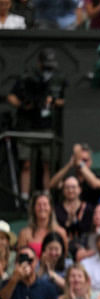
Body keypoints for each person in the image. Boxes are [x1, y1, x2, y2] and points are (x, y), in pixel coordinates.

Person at [6, 49, 67, 199]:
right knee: (26, 164)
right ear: (39, 63)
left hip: (46, 127)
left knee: (47, 163)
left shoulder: (59, 79)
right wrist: (23, 104)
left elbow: (66, 100)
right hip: (26, 126)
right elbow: (11, 97)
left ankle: (46, 197)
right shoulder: (27, 78)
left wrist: (51, 101)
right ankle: (24, 197)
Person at [17, 192, 68, 259]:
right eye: (39, 205)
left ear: (51, 208)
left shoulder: (61, 232)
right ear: (34, 208)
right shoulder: (24, 233)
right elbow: (20, 259)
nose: (42, 208)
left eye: (45, 204)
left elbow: (64, 257)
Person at [55, 176, 94, 248]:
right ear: (63, 190)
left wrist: (75, 221)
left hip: (84, 247)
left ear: (80, 189)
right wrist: (68, 223)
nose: (70, 190)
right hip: (62, 246)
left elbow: (88, 231)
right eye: (67, 187)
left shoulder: (88, 208)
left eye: (73, 187)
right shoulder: (57, 210)